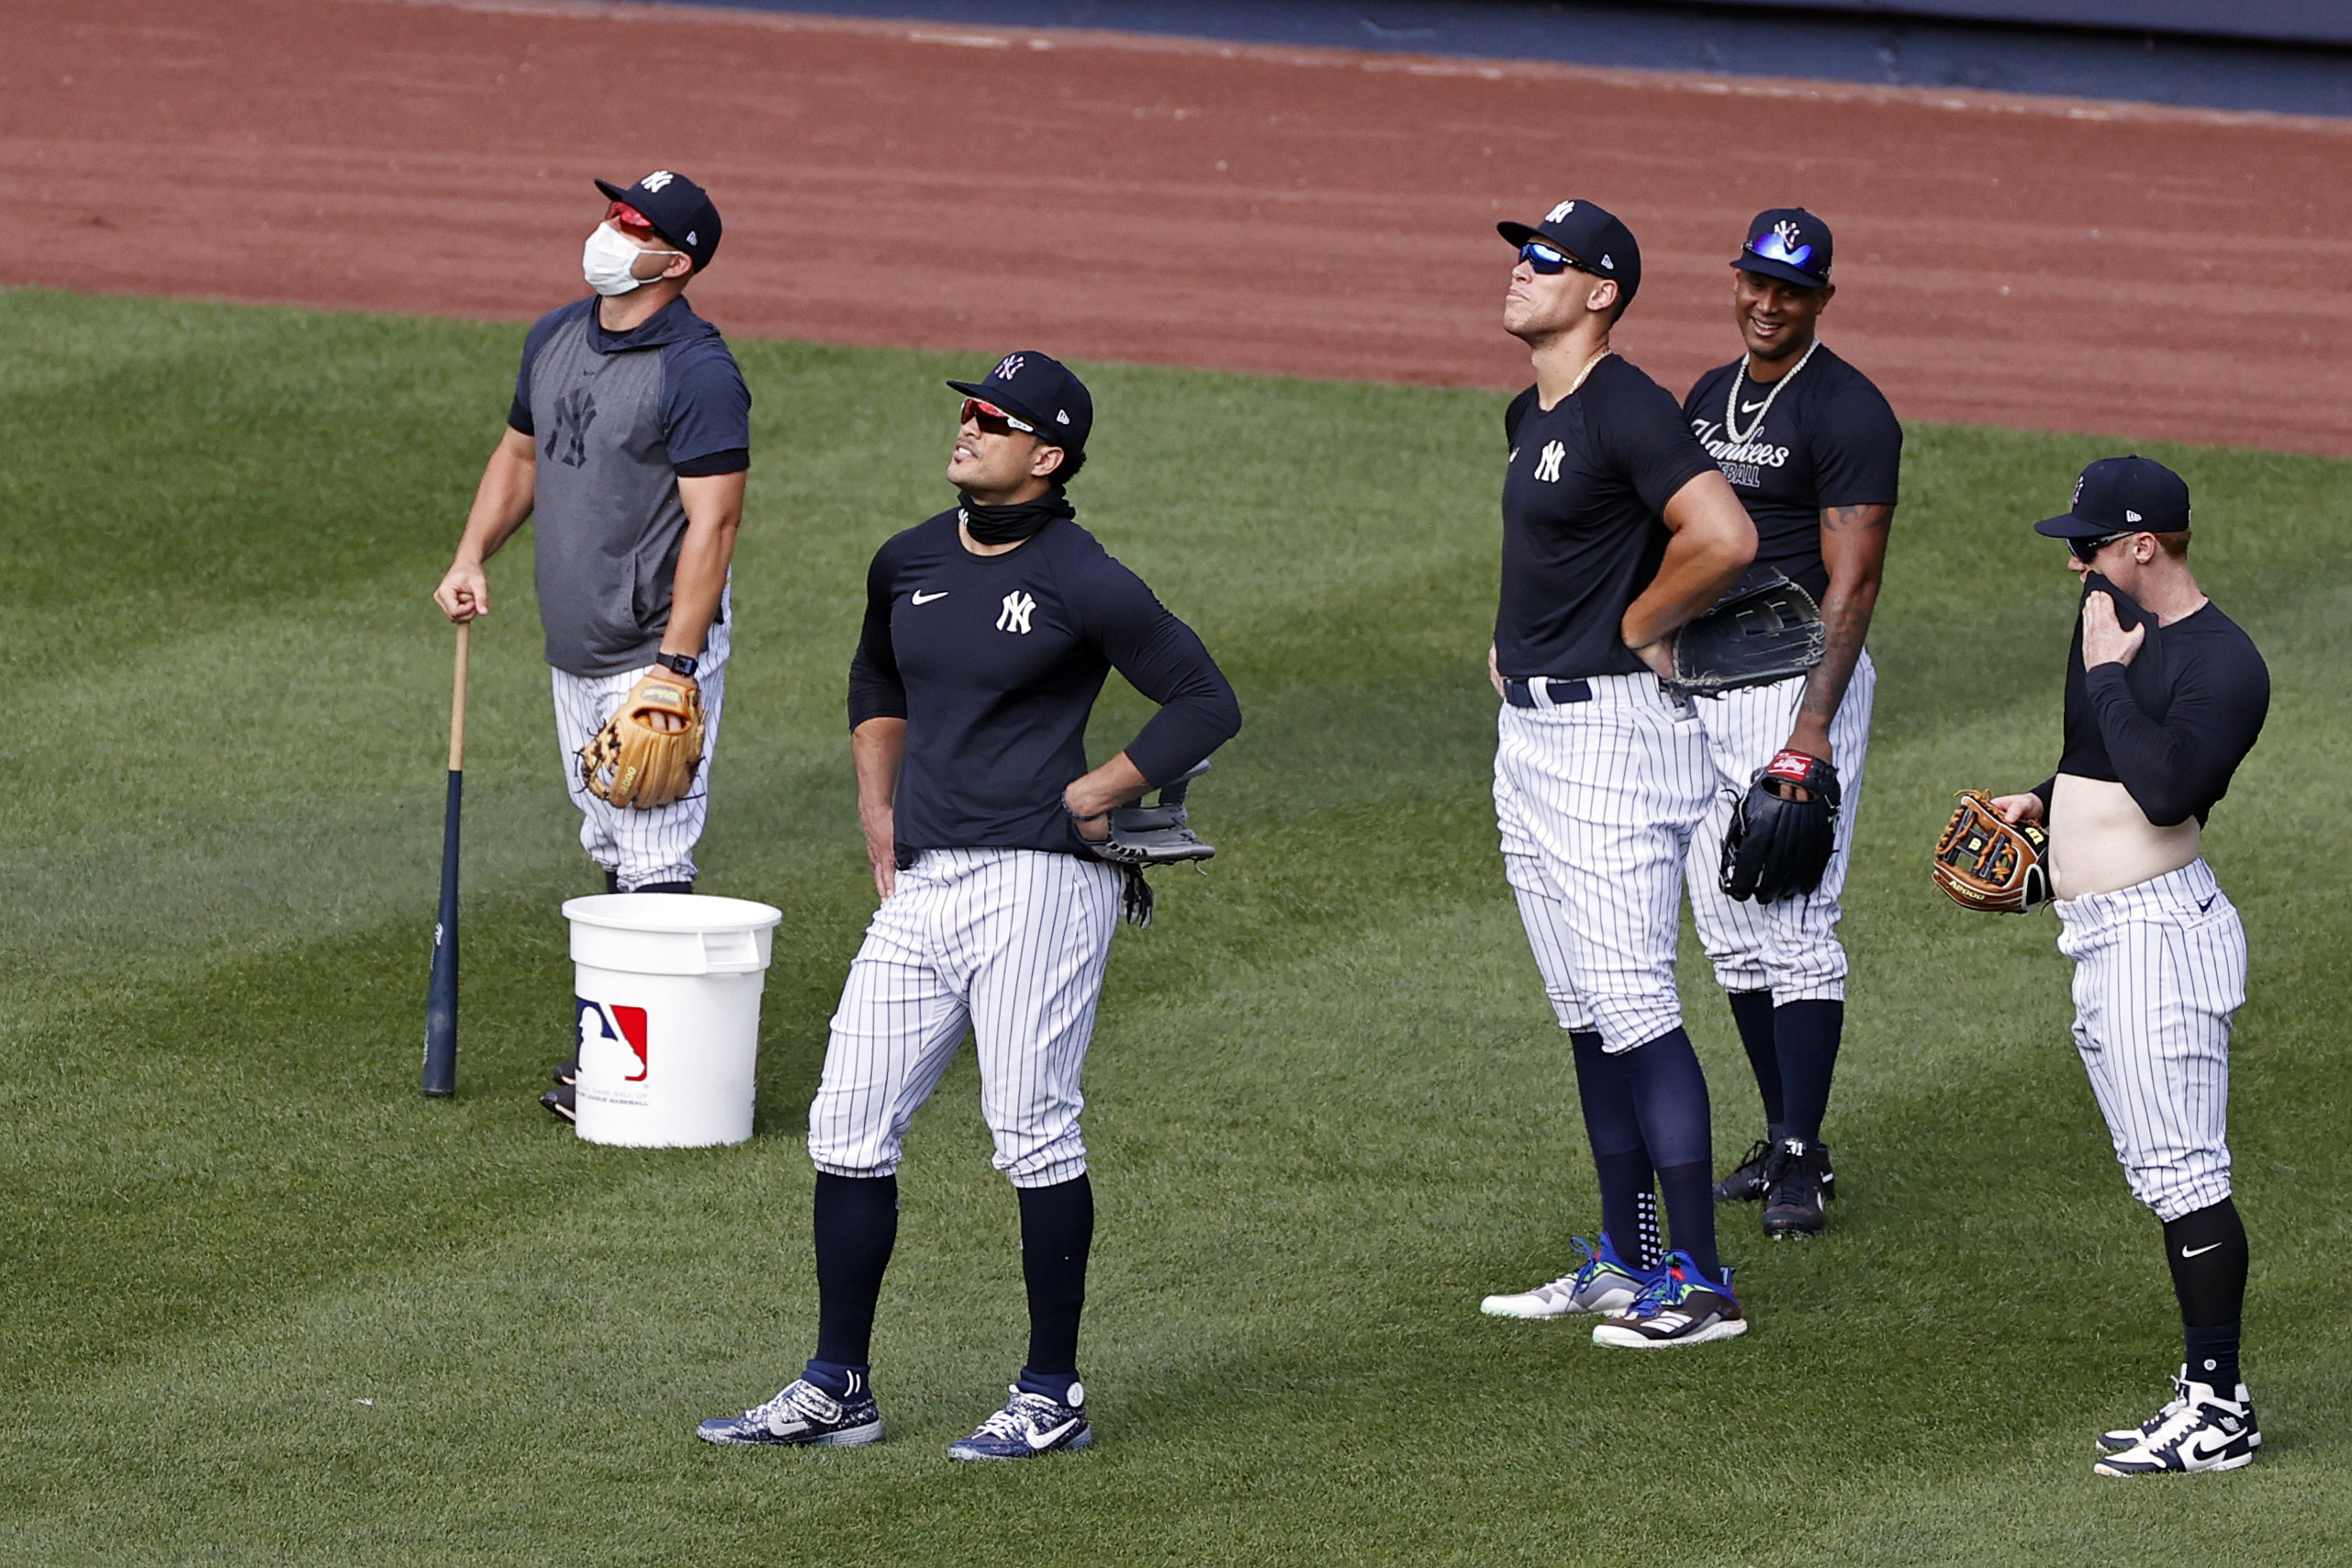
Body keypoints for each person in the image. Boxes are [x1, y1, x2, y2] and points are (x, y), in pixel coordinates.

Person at [697, 353, 1241, 1458]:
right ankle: (837, 1384)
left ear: (1045, 457)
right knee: (846, 1127)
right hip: (928, 883)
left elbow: (1203, 698)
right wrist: (875, 804)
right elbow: (877, 681)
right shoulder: (906, 561)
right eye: (969, 410)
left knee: (1032, 1131)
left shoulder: (1084, 575)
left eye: (995, 419)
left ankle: (1051, 1391)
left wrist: (1099, 787)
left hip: (1043, 883)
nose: (968, 426)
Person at [1472, 200, 1761, 1348]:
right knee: (1586, 1013)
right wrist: (1518, 640)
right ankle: (1628, 1258)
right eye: (1521, 254)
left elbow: (1725, 535)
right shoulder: (1529, 410)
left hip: (1615, 744)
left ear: (1600, 291)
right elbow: (1561, 553)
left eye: (1546, 260)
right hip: (1534, 741)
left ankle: (1698, 1284)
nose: (1520, 271)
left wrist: (1637, 623)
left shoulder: (1630, 405)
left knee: (1636, 1008)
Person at [431, 171, 750, 1123]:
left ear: (676, 260)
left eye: (632, 224)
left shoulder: (697, 372)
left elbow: (716, 525)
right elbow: (520, 455)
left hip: (651, 644)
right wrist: (470, 553)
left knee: (653, 843)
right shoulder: (557, 336)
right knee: (610, 833)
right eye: (612, 213)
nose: (608, 230)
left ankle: (637, 1069)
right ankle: (625, 1045)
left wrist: (677, 666)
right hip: (572, 640)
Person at [1988, 456, 2268, 1475]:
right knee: (2160, 1173)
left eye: (2089, 544)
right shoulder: (2102, 619)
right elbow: (2092, 756)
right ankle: (2206, 1396)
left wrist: (2110, 672)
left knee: (2188, 1174)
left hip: (2162, 933)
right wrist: (2040, 799)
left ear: (2143, 544)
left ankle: (2220, 1409)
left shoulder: (2225, 664)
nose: (2075, 564)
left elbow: (2165, 790)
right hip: (2101, 933)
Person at [1679, 208, 1902, 1238]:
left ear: (1821, 299)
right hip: (1705, 675)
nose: (1768, 303)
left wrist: (1810, 730)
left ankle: (1804, 1156)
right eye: (1755, 282)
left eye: (1791, 289)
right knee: (1730, 927)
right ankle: (1777, 1134)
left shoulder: (1851, 411)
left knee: (1796, 916)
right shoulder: (1704, 396)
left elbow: (1852, 585)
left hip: (1799, 677)